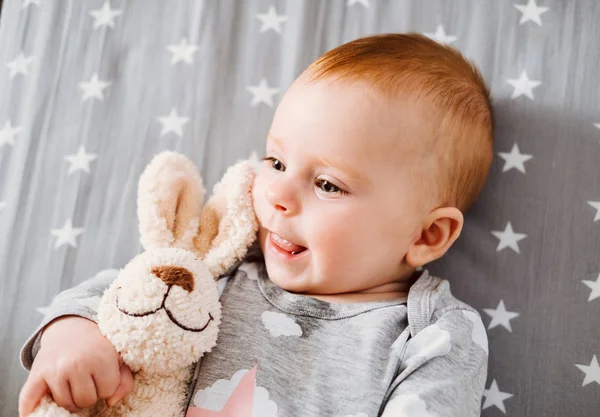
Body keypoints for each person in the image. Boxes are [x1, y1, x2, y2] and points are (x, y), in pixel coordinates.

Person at [19, 33, 493, 417]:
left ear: (426, 235)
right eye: (276, 161)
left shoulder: (433, 334)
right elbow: (127, 292)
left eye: (328, 185)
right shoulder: (228, 264)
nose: (278, 196)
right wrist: (73, 335)